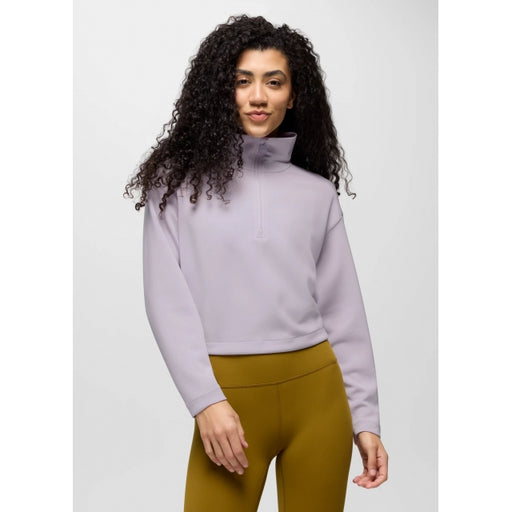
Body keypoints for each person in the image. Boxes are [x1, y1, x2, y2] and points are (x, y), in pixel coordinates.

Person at [124, 14, 388, 512]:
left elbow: (344, 310)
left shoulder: (317, 193)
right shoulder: (175, 184)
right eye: (242, 81)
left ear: (294, 94)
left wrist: (366, 419)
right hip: (228, 398)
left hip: (319, 397)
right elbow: (165, 300)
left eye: (274, 81)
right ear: (220, 91)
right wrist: (205, 400)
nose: (258, 96)